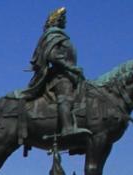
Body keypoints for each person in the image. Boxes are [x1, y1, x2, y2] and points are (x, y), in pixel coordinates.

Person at [16, 6, 89, 142]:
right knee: (65, 98)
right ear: (57, 21)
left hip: (70, 75)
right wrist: (71, 68)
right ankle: (67, 128)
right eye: (63, 19)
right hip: (60, 76)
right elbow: (52, 55)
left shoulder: (60, 36)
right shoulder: (53, 36)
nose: (65, 22)